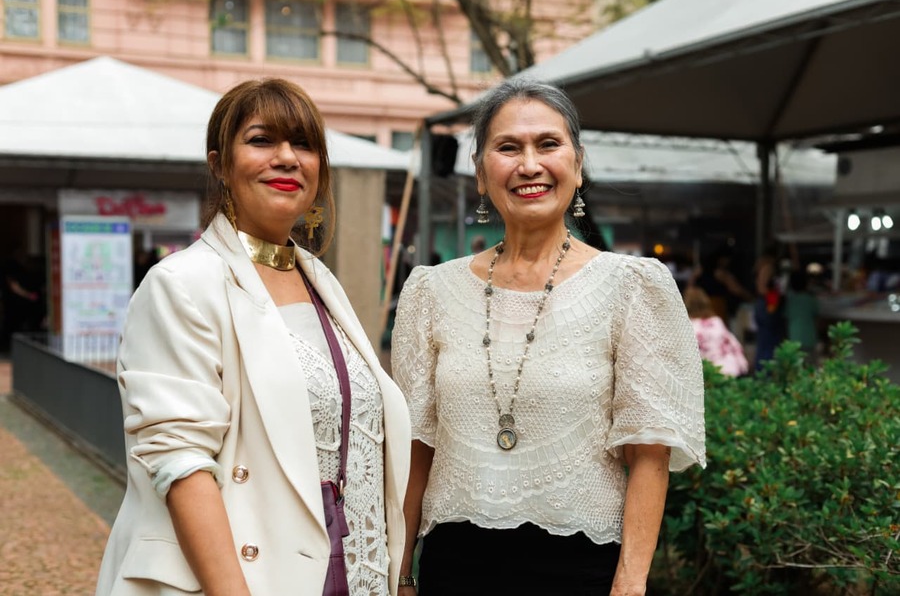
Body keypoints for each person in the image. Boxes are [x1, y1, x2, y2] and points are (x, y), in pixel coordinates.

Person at [391, 78, 706, 596]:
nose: (529, 165)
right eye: (508, 147)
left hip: (581, 571)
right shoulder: (431, 291)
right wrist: (401, 572)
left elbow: (649, 454)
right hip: (454, 568)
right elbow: (415, 447)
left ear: (577, 165)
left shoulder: (631, 287)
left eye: (548, 144)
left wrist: (631, 583)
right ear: (479, 173)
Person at [96, 78, 411, 595]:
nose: (286, 158)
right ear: (219, 163)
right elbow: (180, 461)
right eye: (262, 140)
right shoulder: (182, 283)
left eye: (304, 144)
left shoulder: (319, 280)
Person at [684, 286, 749, 377]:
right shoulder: (716, 321)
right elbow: (734, 345)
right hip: (729, 370)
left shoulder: (687, 326)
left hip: (706, 375)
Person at [784, 269, 820, 359]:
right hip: (809, 339)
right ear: (807, 283)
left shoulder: (790, 301)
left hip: (794, 339)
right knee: (810, 368)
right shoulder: (811, 300)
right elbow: (817, 318)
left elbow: (785, 319)